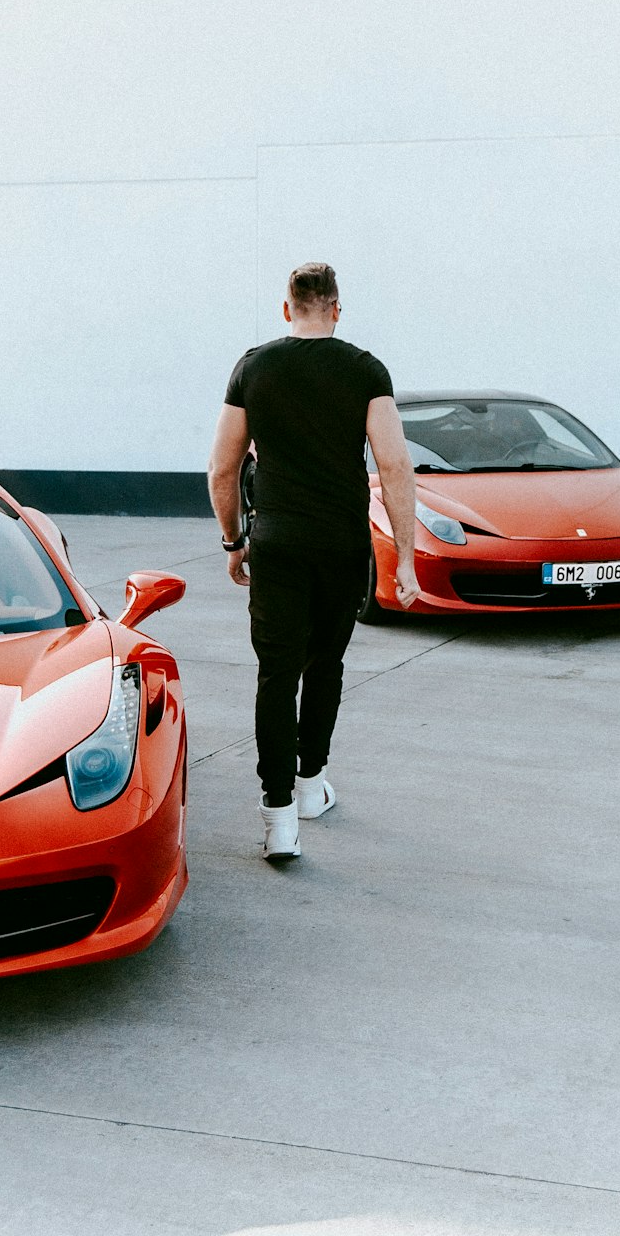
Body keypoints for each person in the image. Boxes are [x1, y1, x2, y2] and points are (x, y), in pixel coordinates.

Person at [207, 262, 419, 861]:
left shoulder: (254, 367)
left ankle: (279, 821)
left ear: (286, 309)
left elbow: (222, 468)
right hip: (341, 545)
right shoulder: (365, 370)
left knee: (276, 674)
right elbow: (396, 465)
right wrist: (403, 559)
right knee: (324, 665)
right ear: (336, 310)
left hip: (275, 545)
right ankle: (309, 785)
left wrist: (233, 541)